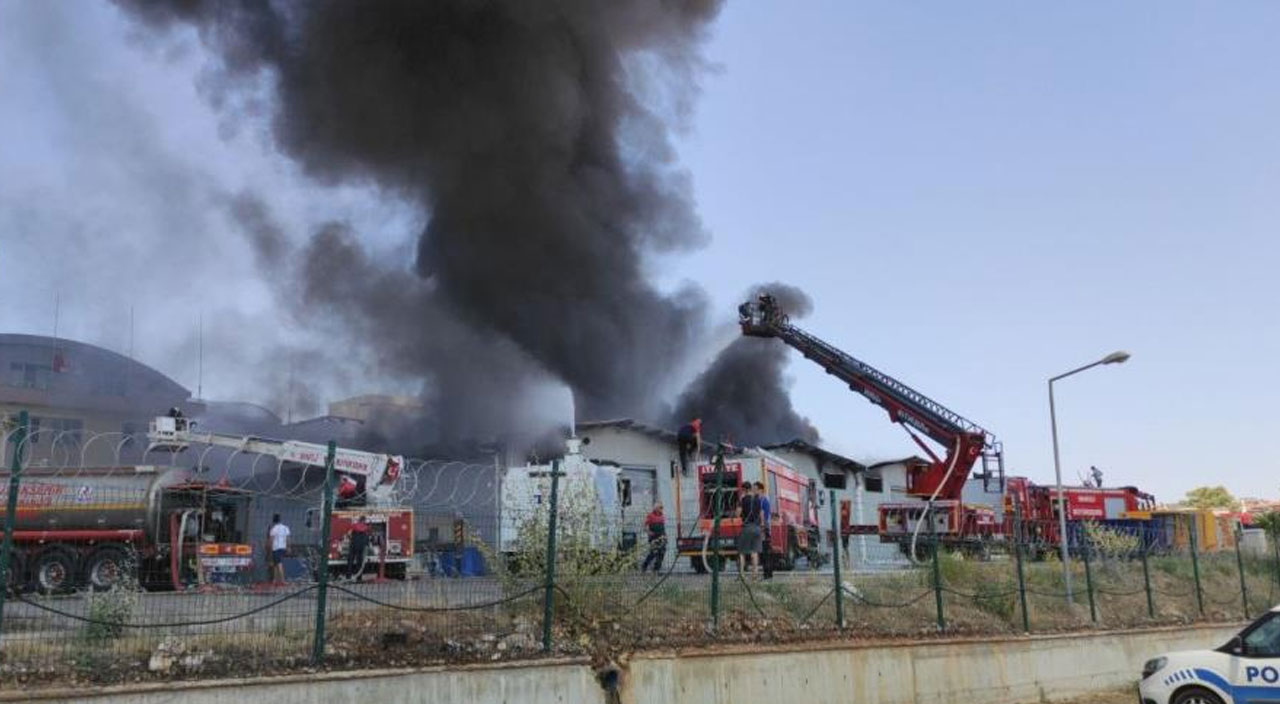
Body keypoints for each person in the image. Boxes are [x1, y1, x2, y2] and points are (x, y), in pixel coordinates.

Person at [737, 483, 762, 576]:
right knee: (754, 552)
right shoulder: (757, 499)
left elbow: (738, 514)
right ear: (750, 489)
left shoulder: (743, 499)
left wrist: (740, 502)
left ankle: (742, 574)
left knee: (742, 552)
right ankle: (755, 574)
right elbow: (760, 513)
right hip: (756, 527)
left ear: (744, 490)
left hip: (747, 527)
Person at [755, 481, 773, 579]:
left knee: (765, 551)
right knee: (764, 552)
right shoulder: (760, 500)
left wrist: (762, 528)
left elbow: (763, 515)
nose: (754, 491)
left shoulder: (763, 500)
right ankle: (767, 574)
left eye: (755, 489)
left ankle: (767, 574)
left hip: (763, 528)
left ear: (761, 490)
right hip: (763, 527)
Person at [641, 503, 666, 572]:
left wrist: (665, 536)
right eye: (660, 508)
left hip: (662, 536)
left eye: (661, 508)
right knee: (653, 552)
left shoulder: (662, 516)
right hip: (654, 537)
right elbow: (644, 525)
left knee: (662, 552)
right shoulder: (650, 515)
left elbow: (663, 527)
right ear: (655, 508)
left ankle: (657, 568)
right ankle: (645, 565)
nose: (661, 509)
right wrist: (648, 532)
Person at [347, 516, 370, 582]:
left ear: (359, 520)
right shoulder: (366, 527)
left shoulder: (354, 526)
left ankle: (348, 576)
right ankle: (359, 577)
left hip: (353, 544)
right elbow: (367, 537)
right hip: (361, 546)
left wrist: (351, 539)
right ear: (364, 520)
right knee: (359, 562)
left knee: (350, 560)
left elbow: (349, 534)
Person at [268, 514, 290, 585]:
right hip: (283, 547)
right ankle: (275, 580)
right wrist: (288, 547)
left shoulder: (274, 529)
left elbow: (271, 540)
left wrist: (270, 549)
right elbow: (287, 538)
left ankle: (282, 580)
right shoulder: (285, 528)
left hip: (276, 548)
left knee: (279, 563)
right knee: (275, 564)